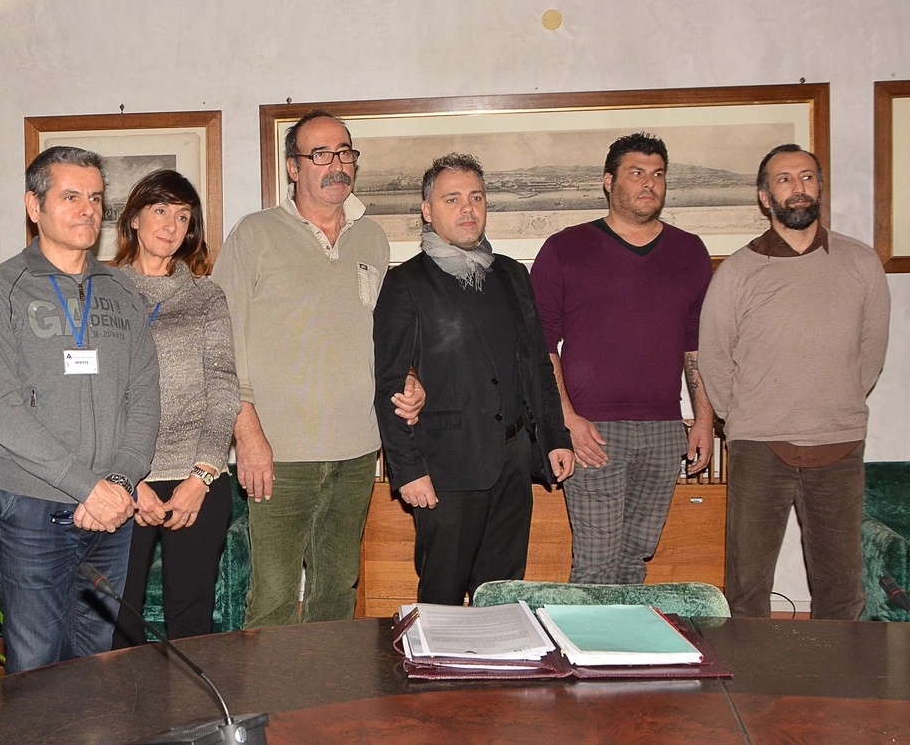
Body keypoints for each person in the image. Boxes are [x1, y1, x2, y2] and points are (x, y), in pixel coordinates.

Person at [214, 110, 422, 627]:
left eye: (345, 152)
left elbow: (378, 334)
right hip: (278, 453)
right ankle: (270, 705)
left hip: (357, 449)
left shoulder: (372, 238)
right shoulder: (254, 234)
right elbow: (221, 342)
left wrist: (409, 376)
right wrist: (249, 437)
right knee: (275, 599)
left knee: (336, 591)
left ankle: (328, 703)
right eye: (321, 154)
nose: (337, 164)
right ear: (292, 167)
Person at [0, 146, 160, 672]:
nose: (88, 210)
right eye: (70, 196)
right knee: (34, 666)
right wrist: (88, 486)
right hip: (32, 509)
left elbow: (145, 398)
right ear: (35, 206)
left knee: (95, 662)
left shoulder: (121, 289)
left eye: (96, 198)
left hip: (112, 510)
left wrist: (118, 483)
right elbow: (3, 412)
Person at [698, 144, 890, 620]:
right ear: (765, 197)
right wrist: (745, 417)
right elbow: (715, 358)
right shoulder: (738, 271)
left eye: (806, 177)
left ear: (819, 187)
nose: (797, 187)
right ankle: (751, 688)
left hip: (839, 443)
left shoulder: (861, 263)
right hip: (759, 444)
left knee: (843, 589)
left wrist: (834, 402)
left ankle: (837, 687)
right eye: (783, 179)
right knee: (746, 588)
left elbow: (871, 354)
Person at [373, 153, 574, 605]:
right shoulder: (406, 283)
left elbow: (537, 365)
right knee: (441, 599)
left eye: (476, 197)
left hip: (512, 463)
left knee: (502, 596)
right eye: (452, 199)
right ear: (427, 210)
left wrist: (556, 437)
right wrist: (407, 471)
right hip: (444, 472)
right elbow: (389, 384)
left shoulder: (512, 274)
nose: (467, 209)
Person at [531, 133, 714, 584]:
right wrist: (568, 420)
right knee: (596, 564)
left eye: (657, 174)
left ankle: (623, 655)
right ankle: (582, 654)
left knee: (635, 560)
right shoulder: (565, 248)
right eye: (636, 173)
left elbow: (697, 344)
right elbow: (539, 345)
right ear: (609, 182)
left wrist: (704, 420)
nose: (648, 184)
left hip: (665, 431)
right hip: (595, 431)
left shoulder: (690, 251)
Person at [106, 170, 239, 646]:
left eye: (183, 216)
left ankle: (194, 718)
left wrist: (201, 477)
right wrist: (129, 479)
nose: (171, 225)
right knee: (119, 621)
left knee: (192, 619)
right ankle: (127, 720)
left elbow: (223, 387)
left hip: (195, 477)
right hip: (123, 479)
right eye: (160, 210)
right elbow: (98, 395)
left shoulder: (207, 297)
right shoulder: (102, 292)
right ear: (134, 219)